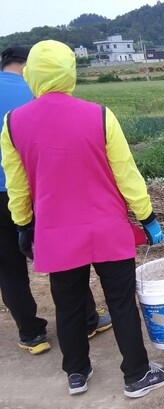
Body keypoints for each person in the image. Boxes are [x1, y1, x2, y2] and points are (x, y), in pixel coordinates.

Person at [0, 40, 164, 398]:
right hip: (107, 228)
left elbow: (17, 186)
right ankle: (137, 375)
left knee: (68, 304)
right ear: (70, 73)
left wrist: (22, 224)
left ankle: (77, 373)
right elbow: (127, 174)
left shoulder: (13, 123)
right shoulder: (99, 114)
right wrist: (147, 216)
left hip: (55, 233)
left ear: (32, 74)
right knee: (121, 302)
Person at [0, 46, 111, 356]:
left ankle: (32, 333)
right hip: (37, 188)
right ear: (28, 66)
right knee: (67, 253)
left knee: (9, 268)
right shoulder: (35, 94)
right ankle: (87, 320)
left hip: (10, 190)